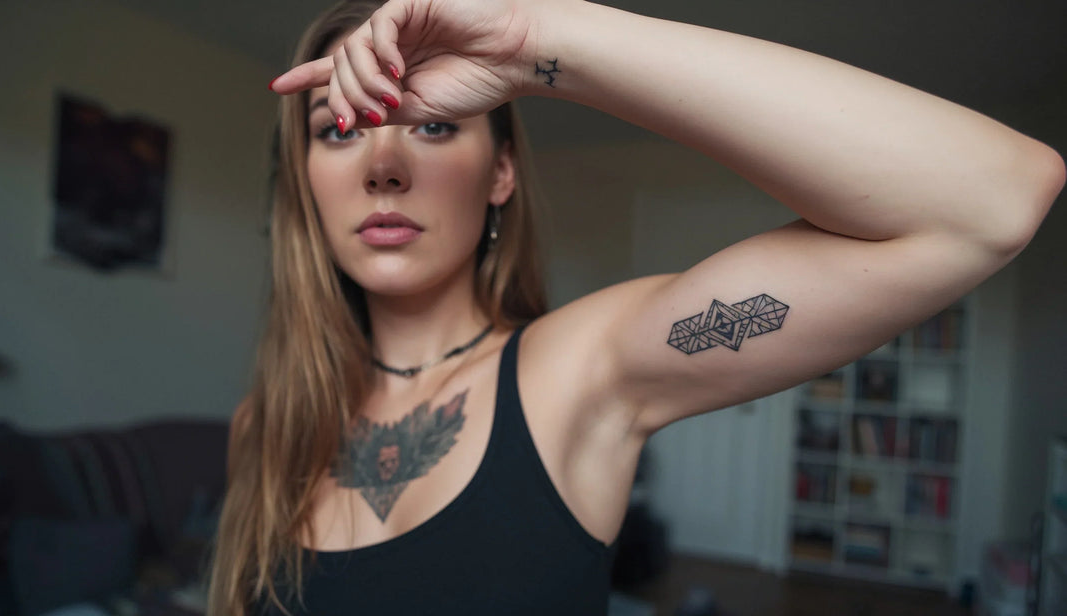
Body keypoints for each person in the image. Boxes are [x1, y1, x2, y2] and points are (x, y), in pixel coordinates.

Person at [207, 0, 1064, 614]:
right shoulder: (266, 425)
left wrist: (537, 39)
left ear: (501, 173)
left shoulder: (581, 371)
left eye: (433, 125)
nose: (384, 165)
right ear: (305, 186)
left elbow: (990, 202)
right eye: (340, 128)